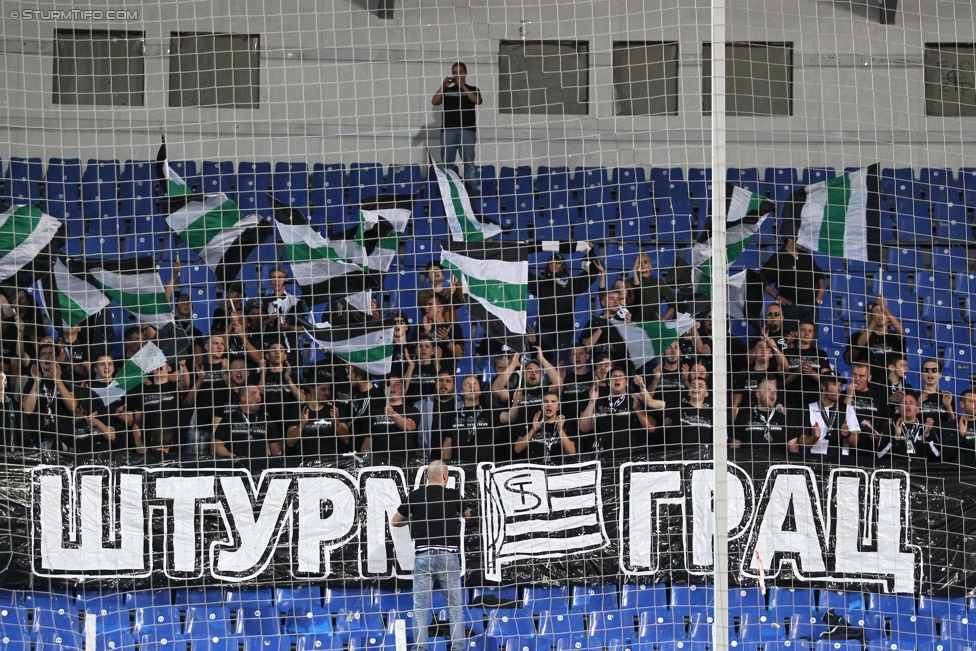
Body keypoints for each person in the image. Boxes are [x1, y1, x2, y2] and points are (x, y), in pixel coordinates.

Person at [391, 461, 469, 651]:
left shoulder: (416, 496)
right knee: (455, 607)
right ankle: (458, 648)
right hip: (448, 555)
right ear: (445, 476)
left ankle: (420, 648)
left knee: (421, 608)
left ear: (427, 476)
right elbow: (467, 514)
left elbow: (395, 521)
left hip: (423, 555)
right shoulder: (452, 495)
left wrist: (414, 518)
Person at [529, 252, 599, 364]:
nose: (554, 265)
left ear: (563, 266)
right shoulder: (541, 284)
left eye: (558, 263)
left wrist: (589, 252)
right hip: (545, 327)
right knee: (543, 360)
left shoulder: (571, 284)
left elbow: (590, 275)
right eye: (551, 263)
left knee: (561, 362)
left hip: (565, 329)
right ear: (547, 266)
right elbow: (525, 275)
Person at [791, 372, 860, 464]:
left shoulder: (847, 409)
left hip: (841, 461)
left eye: (840, 385)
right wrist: (814, 437)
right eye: (835, 385)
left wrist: (847, 435)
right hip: (816, 461)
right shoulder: (810, 408)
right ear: (823, 387)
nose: (839, 389)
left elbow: (855, 441)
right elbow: (802, 442)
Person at [431, 62, 483, 185]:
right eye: (455, 73)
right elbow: (435, 101)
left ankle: (471, 194)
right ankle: (447, 191)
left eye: (460, 72)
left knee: (469, 163)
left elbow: (477, 100)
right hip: (448, 130)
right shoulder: (448, 90)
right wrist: (443, 86)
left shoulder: (473, 89)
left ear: (465, 73)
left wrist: (463, 86)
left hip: (467, 130)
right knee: (447, 164)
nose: (457, 75)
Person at [760, 236, 826, 328]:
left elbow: (819, 275)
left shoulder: (806, 256)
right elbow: (761, 279)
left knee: (811, 340)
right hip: (791, 307)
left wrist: (820, 294)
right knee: (791, 338)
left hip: (811, 306)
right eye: (799, 238)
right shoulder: (779, 258)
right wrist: (777, 296)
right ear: (790, 239)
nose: (803, 241)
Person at [844, 296, 905, 380]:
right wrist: (873, 323)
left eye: (882, 312)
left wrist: (885, 309)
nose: (879, 315)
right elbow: (859, 345)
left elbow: (901, 333)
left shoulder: (894, 336)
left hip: (891, 381)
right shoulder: (861, 336)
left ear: (888, 318)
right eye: (875, 313)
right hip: (870, 382)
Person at [513, 392, 577, 464]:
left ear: (558, 407)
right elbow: (517, 449)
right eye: (546, 401)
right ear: (541, 405)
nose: (549, 405)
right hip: (535, 467)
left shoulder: (565, 424)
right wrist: (533, 430)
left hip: (557, 468)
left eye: (553, 402)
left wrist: (560, 430)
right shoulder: (533, 422)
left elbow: (572, 452)